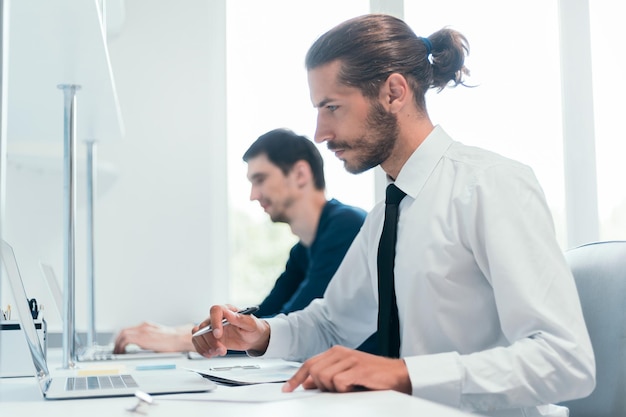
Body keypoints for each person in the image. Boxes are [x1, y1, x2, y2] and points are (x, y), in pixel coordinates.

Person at [191, 14, 595, 417]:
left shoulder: (490, 186)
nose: (320, 133)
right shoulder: (388, 213)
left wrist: (404, 374)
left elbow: (566, 361)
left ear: (394, 92)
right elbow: (334, 323)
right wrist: (259, 333)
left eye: (332, 107)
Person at [113, 128, 372, 354]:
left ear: (300, 174)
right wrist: (191, 332)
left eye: (260, 180)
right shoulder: (302, 251)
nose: (253, 195)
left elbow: (292, 326)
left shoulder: (347, 226)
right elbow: (264, 319)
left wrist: (181, 339)